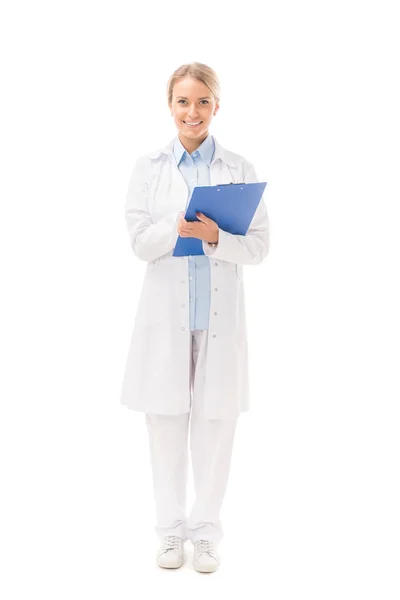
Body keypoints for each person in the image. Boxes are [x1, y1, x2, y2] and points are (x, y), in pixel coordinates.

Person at [120, 62, 270, 573]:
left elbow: (258, 248)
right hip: (166, 320)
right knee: (164, 423)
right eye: (183, 101)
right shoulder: (149, 167)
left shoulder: (240, 168)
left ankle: (205, 534)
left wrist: (214, 238)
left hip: (218, 320)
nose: (193, 112)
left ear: (217, 107)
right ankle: (169, 533)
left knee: (215, 425)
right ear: (170, 106)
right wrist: (176, 226)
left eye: (203, 101)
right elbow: (140, 243)